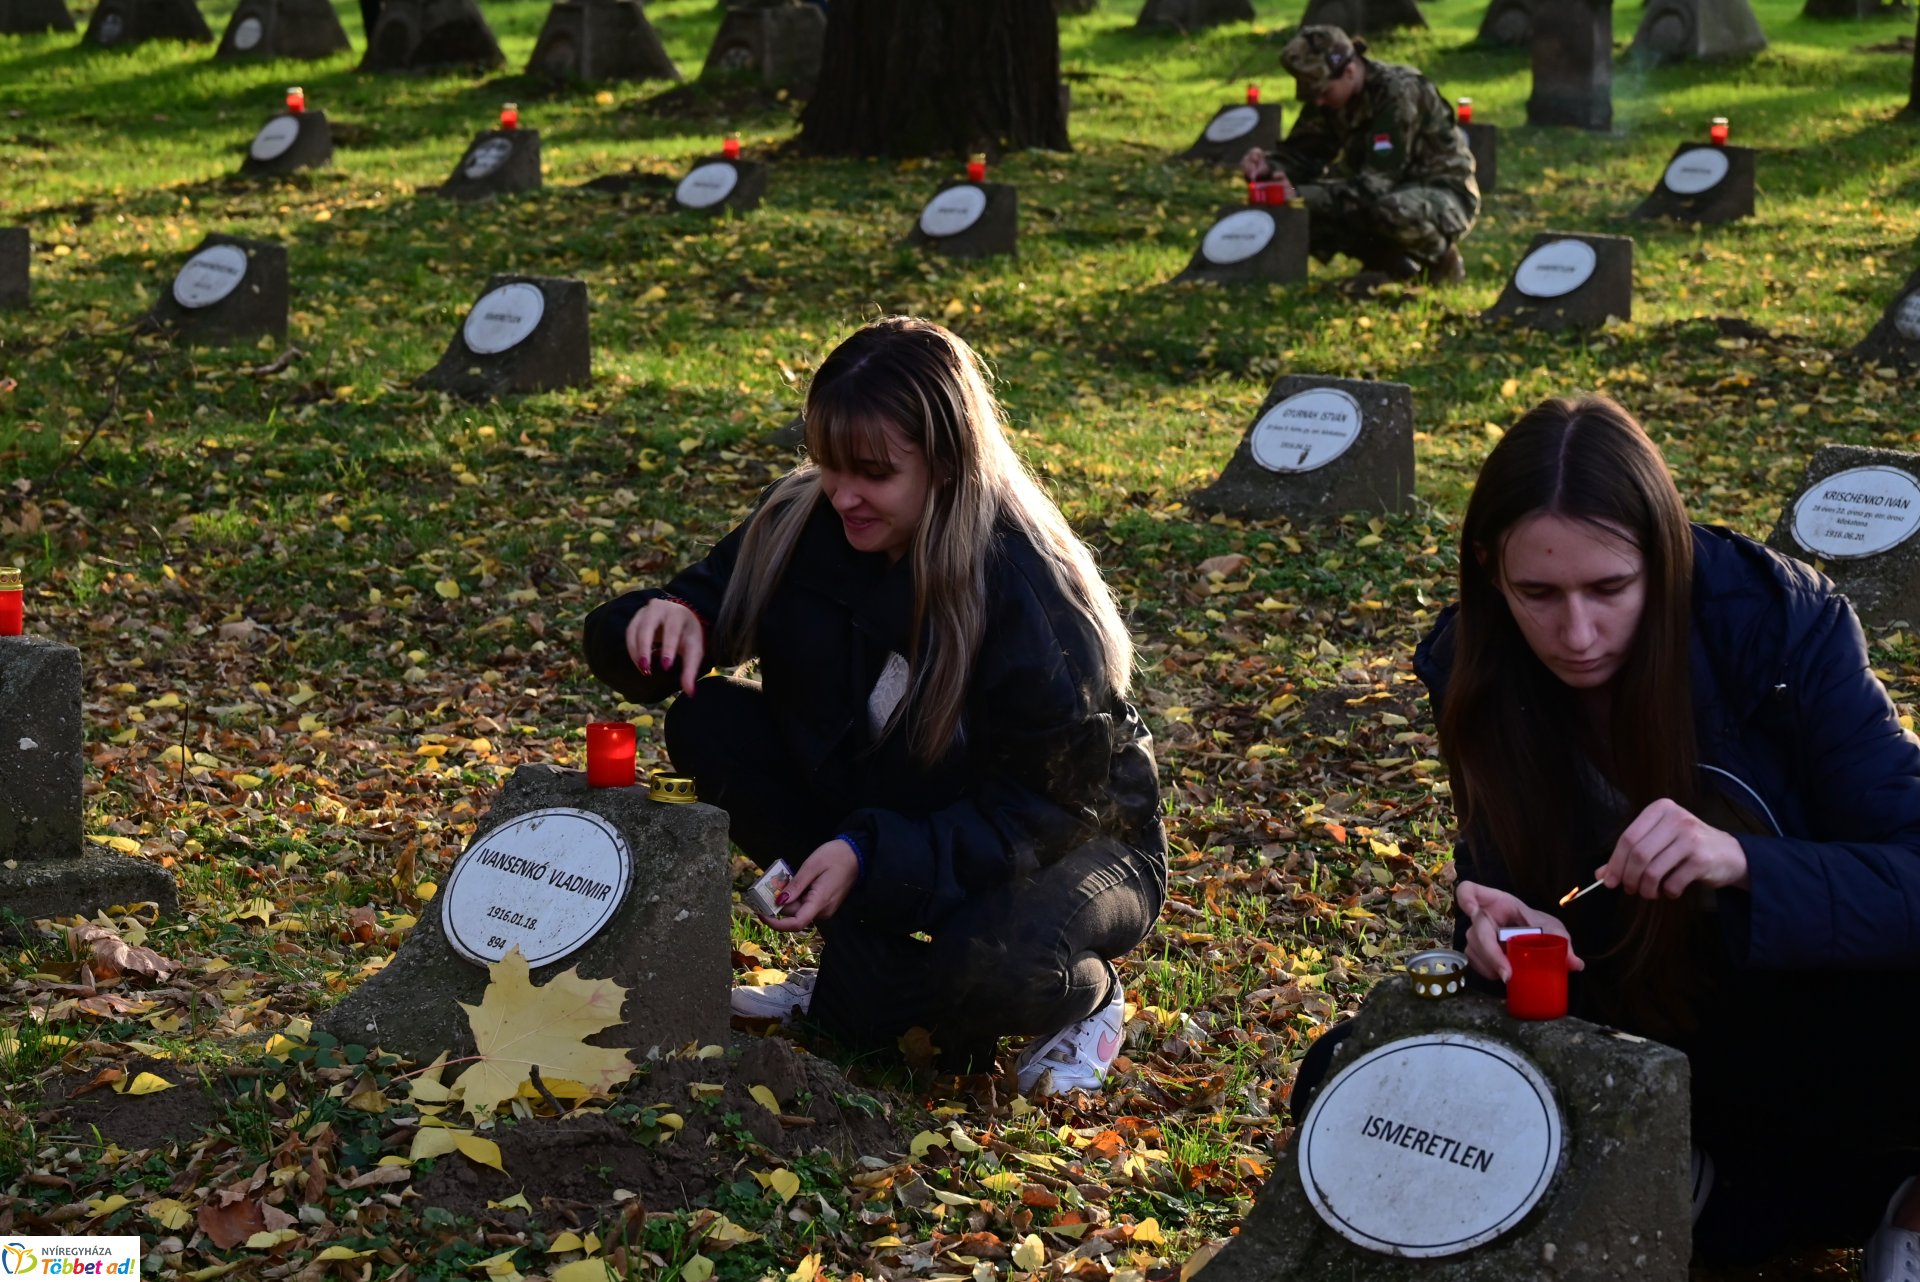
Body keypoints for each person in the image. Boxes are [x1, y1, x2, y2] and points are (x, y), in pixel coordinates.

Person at [1292, 396, 1920, 1274]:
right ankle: (1707, 1192)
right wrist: (1494, 927)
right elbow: (1510, 884)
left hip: (1824, 1016)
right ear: (1489, 569)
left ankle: (1890, 1204)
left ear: (1664, 563)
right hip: (1643, 1021)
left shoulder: (1779, 626)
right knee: (1341, 1078)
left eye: (1610, 589)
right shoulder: (1470, 663)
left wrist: (1743, 862)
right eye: (1537, 594)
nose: (1576, 634)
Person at [582, 317, 1166, 1095]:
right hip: (906, 802)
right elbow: (698, 610)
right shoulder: (803, 518)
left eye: (873, 471)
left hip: (1078, 837)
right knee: (708, 720)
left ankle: (1083, 999)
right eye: (827, 463)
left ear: (949, 461)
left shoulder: (1029, 590)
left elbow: (1044, 810)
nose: (842, 493)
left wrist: (869, 853)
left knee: (987, 971)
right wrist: (662, 618)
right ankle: (867, 974)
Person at [1239, 25, 1478, 285]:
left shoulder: (1399, 93)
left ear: (1350, 71)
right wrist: (1268, 166)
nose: (1317, 103)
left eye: (1323, 93)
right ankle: (1388, 264)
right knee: (1308, 209)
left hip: (1441, 192)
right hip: (1377, 188)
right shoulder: (1329, 95)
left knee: (1387, 208)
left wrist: (1300, 194)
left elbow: (1375, 186)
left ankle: (1443, 262)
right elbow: (1303, 152)